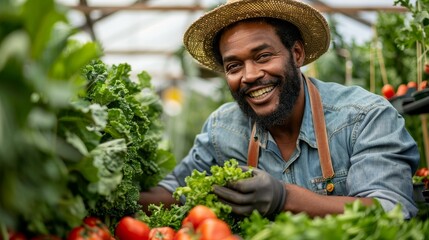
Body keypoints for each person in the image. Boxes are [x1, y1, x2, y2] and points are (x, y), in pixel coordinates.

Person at [140, 0, 420, 219]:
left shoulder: (365, 117)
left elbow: (391, 211)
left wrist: (284, 199)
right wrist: (108, 189)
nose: (249, 75)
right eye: (234, 66)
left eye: (263, 56)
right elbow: (175, 191)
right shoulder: (222, 130)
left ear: (296, 54)